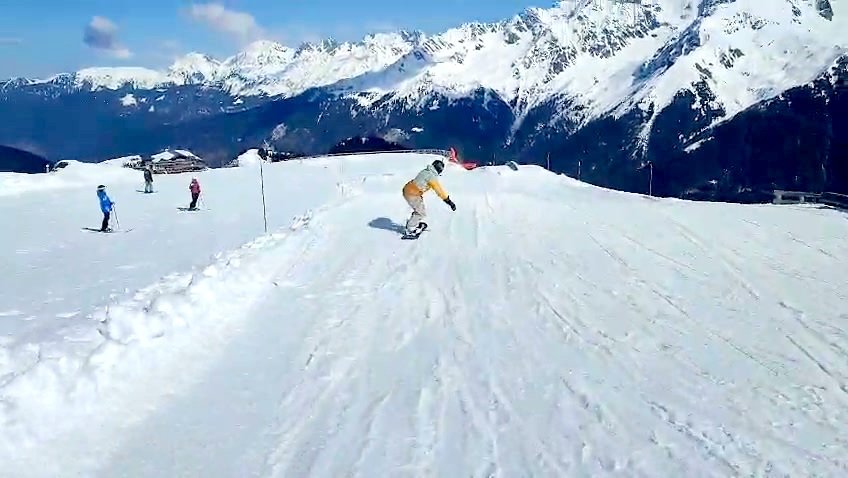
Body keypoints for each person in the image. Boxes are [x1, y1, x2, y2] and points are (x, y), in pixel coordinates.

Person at [402, 159, 456, 234]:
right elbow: (439, 191)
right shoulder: (431, 177)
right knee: (421, 213)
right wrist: (449, 202)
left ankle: (413, 222)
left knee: (419, 209)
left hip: (409, 190)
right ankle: (410, 229)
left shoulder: (426, 171)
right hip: (412, 194)